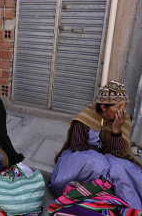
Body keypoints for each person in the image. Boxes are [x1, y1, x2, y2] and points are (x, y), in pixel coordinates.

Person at [48, 80, 142, 209]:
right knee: (102, 165)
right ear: (104, 107)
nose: (123, 111)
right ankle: (133, 208)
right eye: (119, 107)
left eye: (125, 107)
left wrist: (116, 131)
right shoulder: (85, 117)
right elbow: (77, 146)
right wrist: (103, 152)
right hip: (81, 158)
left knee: (126, 167)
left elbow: (118, 153)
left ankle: (135, 206)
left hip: (107, 157)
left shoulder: (122, 120)